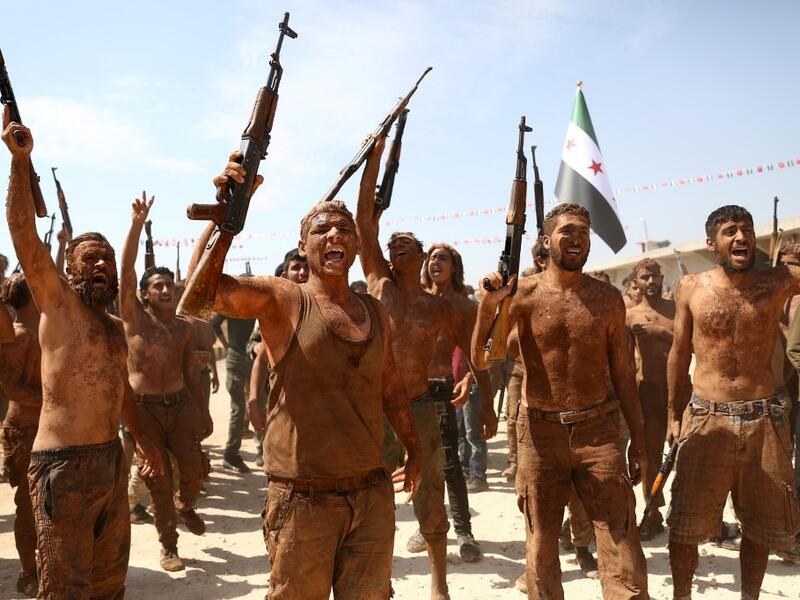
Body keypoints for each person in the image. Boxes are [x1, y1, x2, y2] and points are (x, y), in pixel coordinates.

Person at [184, 150, 421, 599]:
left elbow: (389, 387)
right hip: (302, 500)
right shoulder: (282, 299)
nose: (335, 234)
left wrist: (414, 450)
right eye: (322, 229)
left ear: (355, 244)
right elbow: (203, 294)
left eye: (345, 229)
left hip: (371, 496)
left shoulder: (374, 310)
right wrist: (226, 219)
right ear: (304, 245)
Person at [2, 107, 162, 598]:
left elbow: (123, 396)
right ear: (68, 270)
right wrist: (20, 163)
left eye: (107, 258)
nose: (101, 264)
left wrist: (147, 444)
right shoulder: (57, 305)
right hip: (63, 468)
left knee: (109, 582)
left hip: (109, 461)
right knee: (64, 588)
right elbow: (24, 233)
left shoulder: (113, 327)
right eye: (88, 257)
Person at [473, 203, 649, 599]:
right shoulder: (523, 295)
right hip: (539, 435)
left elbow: (623, 375)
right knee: (540, 546)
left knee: (621, 542)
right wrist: (489, 306)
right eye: (567, 231)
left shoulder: (607, 299)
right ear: (546, 241)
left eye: (583, 232)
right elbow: (485, 356)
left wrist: (637, 441)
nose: (576, 238)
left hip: (599, 432)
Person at [356, 137, 495, 596]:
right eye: (390, 246)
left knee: (431, 493)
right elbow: (363, 223)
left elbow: (476, 351)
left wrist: (485, 398)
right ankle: (380, 580)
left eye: (404, 247)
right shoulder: (380, 286)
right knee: (371, 497)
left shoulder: (439, 309)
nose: (394, 251)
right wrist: (374, 158)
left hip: (419, 408)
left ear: (419, 257)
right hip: (373, 408)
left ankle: (439, 584)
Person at [667, 205, 800, 600]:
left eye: (747, 230)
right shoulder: (692, 286)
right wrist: (673, 415)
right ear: (712, 243)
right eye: (730, 231)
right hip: (707, 419)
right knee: (685, 524)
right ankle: (681, 596)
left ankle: (750, 596)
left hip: (765, 419)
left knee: (759, 526)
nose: (741, 237)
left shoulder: (777, 281)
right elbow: (678, 353)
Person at [119, 193, 210, 572]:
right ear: (145, 293)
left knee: (195, 469)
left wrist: (202, 413)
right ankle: (169, 547)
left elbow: (193, 375)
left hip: (180, 405)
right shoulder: (134, 319)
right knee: (157, 476)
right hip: (145, 411)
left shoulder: (184, 329)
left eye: (169, 286)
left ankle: (185, 505)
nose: (166, 290)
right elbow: (125, 273)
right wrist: (137, 225)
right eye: (157, 286)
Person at [625, 258, 676, 539]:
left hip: (679, 391)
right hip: (648, 392)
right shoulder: (631, 316)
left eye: (655, 275)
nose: (652, 282)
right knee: (649, 455)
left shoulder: (676, 310)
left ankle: (688, 513)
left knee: (689, 454)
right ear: (637, 282)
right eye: (645, 277)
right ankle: (653, 511)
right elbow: (625, 361)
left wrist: (660, 331)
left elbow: (691, 344)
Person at [0, 273, 41, 596]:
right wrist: (51, 402)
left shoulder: (43, 332)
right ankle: (28, 570)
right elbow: (10, 386)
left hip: (45, 427)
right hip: (24, 430)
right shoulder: (20, 335)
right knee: (27, 505)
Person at [211, 299, 256, 473]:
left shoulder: (249, 306)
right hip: (238, 357)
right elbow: (214, 325)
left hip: (250, 356)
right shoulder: (234, 306)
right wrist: (226, 345)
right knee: (239, 408)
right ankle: (231, 455)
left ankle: (261, 451)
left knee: (257, 404)